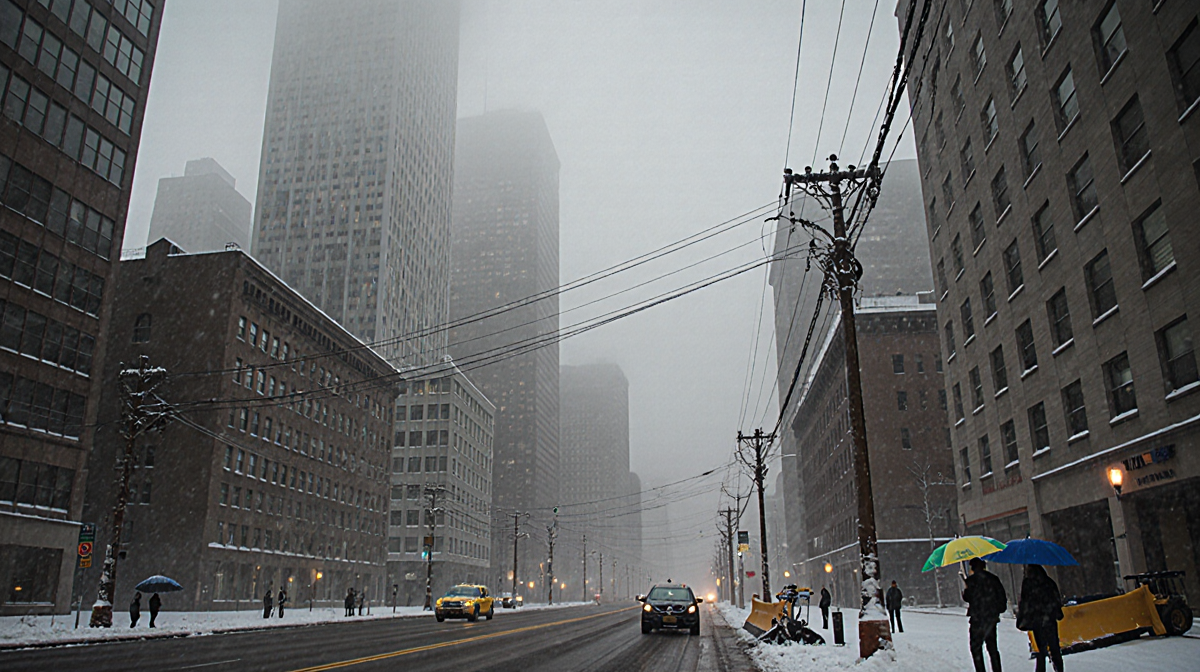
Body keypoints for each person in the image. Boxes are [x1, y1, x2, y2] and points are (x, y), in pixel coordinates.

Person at [963, 557, 1007, 672]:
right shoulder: (993, 579)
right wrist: (996, 610)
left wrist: (967, 589)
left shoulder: (971, 581)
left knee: (976, 648)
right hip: (991, 618)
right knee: (992, 648)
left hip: (977, 619)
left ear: (972, 567)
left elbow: (967, 598)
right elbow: (1002, 598)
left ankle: (980, 669)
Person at [1017, 565, 1064, 672]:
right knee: (1054, 647)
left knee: (1041, 649)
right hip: (1050, 619)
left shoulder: (1028, 584)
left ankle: (1041, 669)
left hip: (1036, 620)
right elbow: (1056, 599)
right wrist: (1056, 613)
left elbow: (1025, 602)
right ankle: (1059, 668)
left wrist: (1023, 617)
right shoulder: (1049, 582)